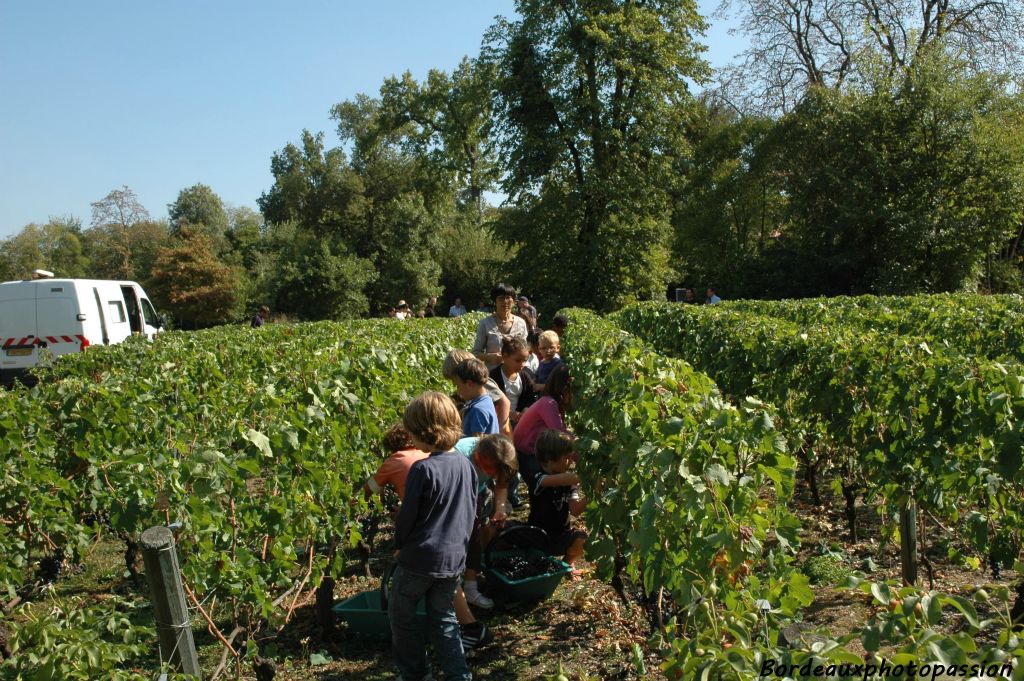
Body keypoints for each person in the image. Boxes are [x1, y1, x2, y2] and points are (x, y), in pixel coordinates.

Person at [390, 392, 476, 681]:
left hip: (420, 559)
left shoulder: (423, 469)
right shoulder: (466, 465)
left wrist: (400, 547)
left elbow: (407, 518)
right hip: (453, 560)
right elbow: (469, 513)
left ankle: (416, 674)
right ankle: (458, 675)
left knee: (401, 615)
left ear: (422, 431)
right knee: (444, 619)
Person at [453, 434, 517, 611]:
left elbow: (502, 486)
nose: (490, 474)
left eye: (494, 471)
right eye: (487, 468)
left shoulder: (502, 458)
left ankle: (470, 588)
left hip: (477, 492)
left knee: (474, 536)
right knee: (457, 539)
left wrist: (500, 509)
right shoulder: (460, 455)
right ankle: (453, 587)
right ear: (478, 455)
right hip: (455, 494)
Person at [528, 429, 588, 572]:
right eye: (566, 458)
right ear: (549, 460)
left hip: (561, 536)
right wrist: (589, 477)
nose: (570, 461)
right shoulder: (537, 477)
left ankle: (565, 565)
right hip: (537, 536)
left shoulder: (568, 481)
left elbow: (576, 510)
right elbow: (558, 480)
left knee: (582, 540)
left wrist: (594, 494)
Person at [512, 363, 574, 495]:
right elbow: (560, 433)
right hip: (527, 453)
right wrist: (582, 451)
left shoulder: (552, 402)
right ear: (564, 388)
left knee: (548, 489)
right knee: (543, 490)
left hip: (535, 449)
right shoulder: (548, 403)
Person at [443, 350, 511, 436]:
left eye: (455, 381)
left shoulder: (484, 385)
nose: (453, 384)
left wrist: (500, 430)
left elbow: (505, 402)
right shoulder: (474, 392)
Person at [361, 423, 428, 504]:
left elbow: (369, 489)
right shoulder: (427, 454)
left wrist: (359, 500)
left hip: (419, 512)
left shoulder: (394, 461)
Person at [473, 283, 529, 370]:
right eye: (501, 298)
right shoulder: (485, 323)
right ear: (495, 301)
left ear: (513, 301)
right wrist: (489, 357)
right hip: (492, 375)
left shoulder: (521, 323)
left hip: (516, 374)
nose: (505, 301)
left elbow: (525, 350)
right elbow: (475, 354)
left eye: (508, 298)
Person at [490, 336, 537, 426]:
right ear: (504, 356)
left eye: (525, 361)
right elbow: (491, 402)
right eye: (518, 361)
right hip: (498, 422)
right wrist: (509, 413)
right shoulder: (493, 376)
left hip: (519, 422)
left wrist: (525, 410)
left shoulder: (525, 377)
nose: (522, 364)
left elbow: (530, 399)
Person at [453, 358, 500, 437]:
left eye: (458, 386)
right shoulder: (486, 400)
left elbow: (475, 442)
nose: (458, 391)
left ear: (469, 383)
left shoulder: (478, 410)